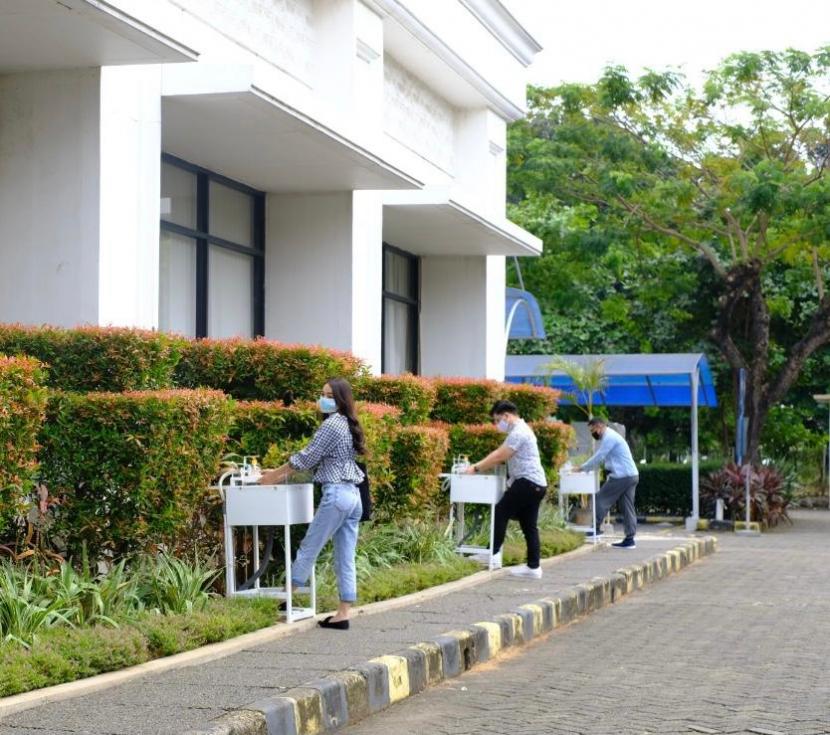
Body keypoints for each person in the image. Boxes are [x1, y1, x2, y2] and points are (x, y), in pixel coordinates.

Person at [259, 378, 364, 629]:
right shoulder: (347, 423)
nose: (323, 399)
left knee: (309, 547)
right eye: (322, 394)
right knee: (345, 556)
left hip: (337, 494)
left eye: (329, 396)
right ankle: (343, 614)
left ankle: (284, 601)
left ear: (340, 399)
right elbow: (318, 460)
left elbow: (306, 458)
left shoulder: (332, 424)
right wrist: (278, 473)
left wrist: (272, 477)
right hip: (353, 496)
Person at [463, 400, 548, 579]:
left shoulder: (519, 432)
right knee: (529, 525)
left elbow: (500, 456)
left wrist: (475, 468)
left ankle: (492, 554)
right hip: (537, 484)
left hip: (527, 482)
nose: (496, 425)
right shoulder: (521, 430)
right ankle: (533, 567)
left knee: (500, 512)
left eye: (497, 420)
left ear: (507, 416)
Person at [575, 416, 639, 549]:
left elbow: (599, 456)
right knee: (627, 507)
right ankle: (630, 540)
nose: (592, 433)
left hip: (621, 476)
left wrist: (582, 468)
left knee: (600, 499)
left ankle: (595, 529)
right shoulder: (612, 436)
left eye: (592, 430)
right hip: (631, 475)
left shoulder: (609, 437)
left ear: (599, 426)